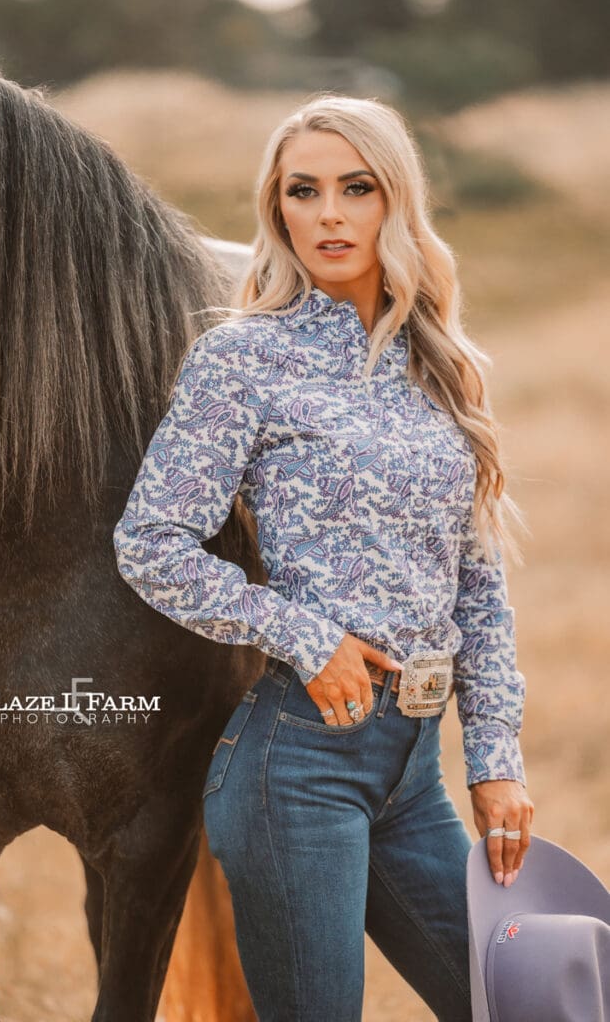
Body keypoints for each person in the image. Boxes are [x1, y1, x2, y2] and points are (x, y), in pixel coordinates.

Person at [113, 94, 535, 1021]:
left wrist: (495, 756)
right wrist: (307, 636)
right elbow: (150, 544)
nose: (330, 215)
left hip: (411, 774)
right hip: (296, 769)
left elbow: (476, 584)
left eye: (357, 188)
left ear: (396, 202)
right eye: (303, 191)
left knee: (520, 1001)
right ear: (278, 209)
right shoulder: (242, 360)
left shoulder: (441, 365)